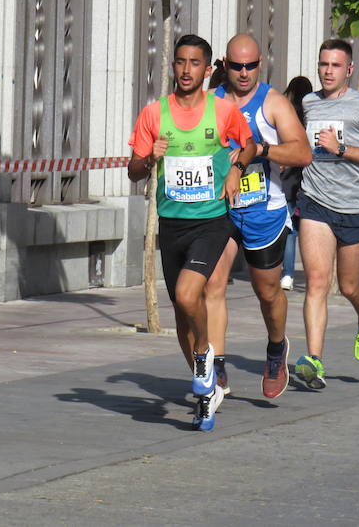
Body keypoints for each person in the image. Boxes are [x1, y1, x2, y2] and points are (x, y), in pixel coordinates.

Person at [128, 34, 256, 431]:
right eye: (180, 62)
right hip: (172, 223)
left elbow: (249, 145)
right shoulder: (154, 114)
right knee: (182, 317)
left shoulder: (222, 110)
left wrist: (236, 168)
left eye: (194, 63)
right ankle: (206, 390)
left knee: (189, 294)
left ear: (207, 68)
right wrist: (150, 158)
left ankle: (205, 360)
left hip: (212, 220)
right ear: (173, 66)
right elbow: (132, 168)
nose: (186, 70)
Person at [204, 36, 312, 400]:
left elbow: (303, 153)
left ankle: (276, 348)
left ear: (260, 63)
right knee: (212, 284)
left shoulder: (273, 102)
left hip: (263, 208)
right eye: (237, 66)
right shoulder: (211, 100)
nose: (244, 73)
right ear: (225, 64)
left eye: (251, 66)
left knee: (266, 291)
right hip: (219, 207)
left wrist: (261, 149)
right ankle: (217, 370)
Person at [294, 39, 359, 389]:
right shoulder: (308, 103)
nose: (328, 71)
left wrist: (342, 149)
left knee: (350, 287)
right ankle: (313, 361)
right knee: (317, 283)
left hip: (353, 206)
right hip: (314, 201)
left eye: (335, 66)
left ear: (349, 69)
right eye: (323, 65)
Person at [280, 76, 314, 291]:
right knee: (312, 229)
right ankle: (314, 273)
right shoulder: (311, 117)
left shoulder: (285, 116)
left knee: (290, 230)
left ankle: (287, 274)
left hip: (288, 180)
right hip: (309, 180)